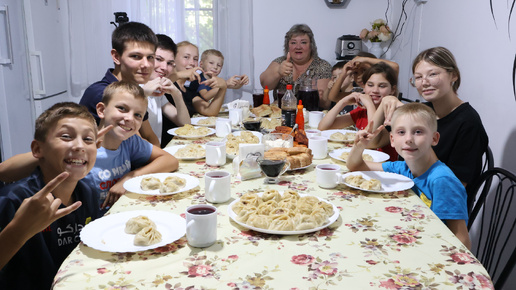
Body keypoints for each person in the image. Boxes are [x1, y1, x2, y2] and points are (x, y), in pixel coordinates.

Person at [369, 47, 488, 211]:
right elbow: (373, 141)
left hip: (435, 208)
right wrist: (384, 103)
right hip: (405, 191)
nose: (424, 82)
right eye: (418, 77)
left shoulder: (468, 122)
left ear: (453, 75)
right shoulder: (424, 111)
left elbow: (455, 186)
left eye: (433, 74)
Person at [0, 102, 102, 289]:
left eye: (88, 139)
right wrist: (19, 230)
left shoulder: (88, 191)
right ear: (38, 149)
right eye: (66, 136)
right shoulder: (14, 200)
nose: (80, 146)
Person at [347, 103, 471, 249]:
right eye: (401, 132)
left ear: (434, 138)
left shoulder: (441, 181)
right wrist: (359, 146)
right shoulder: (402, 168)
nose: (408, 139)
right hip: (411, 238)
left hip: (433, 249)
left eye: (418, 132)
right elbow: (356, 166)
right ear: (392, 139)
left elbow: (462, 241)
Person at [88, 81, 178, 212]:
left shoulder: (130, 141)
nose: (130, 118)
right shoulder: (84, 149)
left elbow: (171, 160)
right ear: (102, 110)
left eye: (138, 115)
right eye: (122, 108)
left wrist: (129, 178)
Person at [79, 21, 161, 147]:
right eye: (136, 56)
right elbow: (139, 146)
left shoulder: (134, 90)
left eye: (150, 57)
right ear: (116, 56)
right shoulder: (102, 92)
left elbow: (149, 136)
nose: (146, 65)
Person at [318, 62, 398, 161]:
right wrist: (343, 102)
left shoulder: (394, 116)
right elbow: (323, 128)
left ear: (392, 90)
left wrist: (369, 105)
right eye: (370, 85)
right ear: (364, 87)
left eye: (382, 86)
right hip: (359, 164)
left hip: (382, 170)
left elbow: (371, 141)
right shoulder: (361, 111)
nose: (375, 90)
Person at [161, 41, 228, 146]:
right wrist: (180, 74)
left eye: (195, 59)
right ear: (173, 59)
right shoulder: (167, 85)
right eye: (186, 57)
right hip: (168, 144)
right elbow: (161, 81)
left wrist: (223, 88)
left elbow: (210, 111)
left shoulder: (189, 89)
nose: (192, 63)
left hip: (187, 142)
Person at [260, 24, 332, 102]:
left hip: (309, 112)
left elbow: (323, 101)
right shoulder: (280, 62)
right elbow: (265, 84)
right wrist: (278, 72)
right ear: (288, 46)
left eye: (303, 42)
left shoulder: (322, 66)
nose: (298, 47)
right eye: (293, 43)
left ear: (311, 46)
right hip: (280, 112)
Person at [143, 34, 191, 147]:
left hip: (157, 154)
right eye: (159, 59)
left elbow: (185, 124)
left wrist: (177, 94)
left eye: (169, 63)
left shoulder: (158, 90)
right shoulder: (133, 89)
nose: (164, 67)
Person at [328, 53, 400, 104]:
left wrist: (365, 59)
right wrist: (343, 74)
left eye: (364, 70)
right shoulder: (360, 95)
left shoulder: (386, 94)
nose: (360, 76)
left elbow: (395, 67)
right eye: (356, 73)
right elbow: (333, 97)